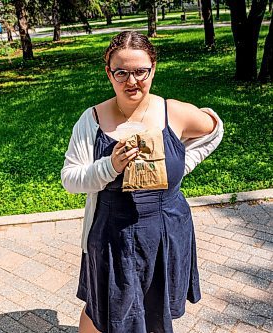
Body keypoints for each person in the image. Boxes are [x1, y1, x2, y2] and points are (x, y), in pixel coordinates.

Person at [61, 31, 224, 333]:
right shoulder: (92, 119)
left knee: (153, 310)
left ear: (153, 68)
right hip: (112, 234)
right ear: (108, 72)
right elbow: (70, 179)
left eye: (140, 71)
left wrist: (181, 163)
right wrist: (110, 166)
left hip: (166, 231)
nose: (131, 81)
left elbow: (214, 128)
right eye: (121, 72)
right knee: (103, 307)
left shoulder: (173, 112)